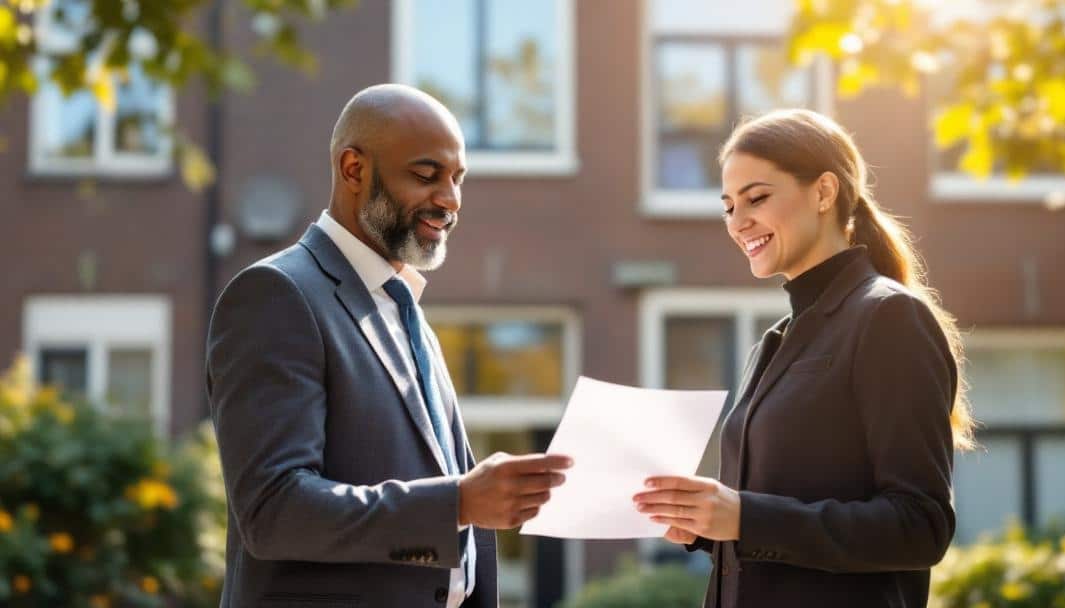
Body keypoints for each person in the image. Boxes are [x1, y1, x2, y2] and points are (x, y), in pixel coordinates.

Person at [206, 84, 572, 608]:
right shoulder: (277, 296)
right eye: (426, 176)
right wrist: (458, 503)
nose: (450, 200)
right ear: (353, 169)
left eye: (457, 179)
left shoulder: (406, 311)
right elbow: (273, 509)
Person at [633, 108, 975, 607]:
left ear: (824, 192)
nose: (738, 222)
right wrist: (705, 525)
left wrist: (745, 517)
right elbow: (774, 523)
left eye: (757, 198)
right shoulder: (772, 344)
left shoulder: (889, 318)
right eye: (728, 206)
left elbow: (920, 525)